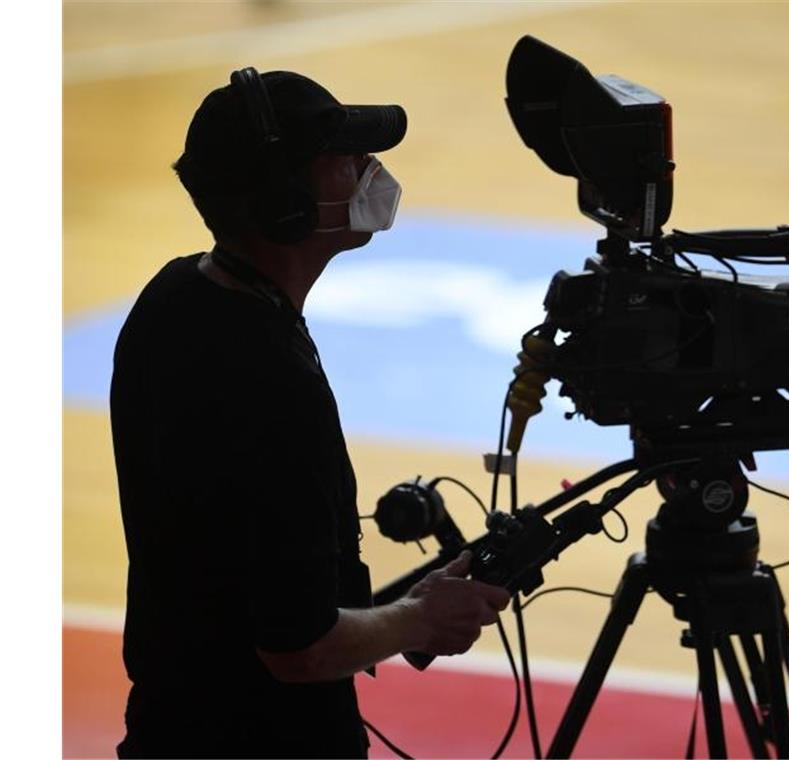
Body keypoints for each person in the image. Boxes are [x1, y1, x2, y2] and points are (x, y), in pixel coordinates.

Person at [110, 68, 511, 758]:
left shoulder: (173, 297)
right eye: (345, 159)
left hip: (168, 729)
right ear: (286, 205)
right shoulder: (270, 380)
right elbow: (297, 652)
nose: (368, 170)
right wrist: (418, 622)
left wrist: (402, 606)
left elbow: (234, 570)